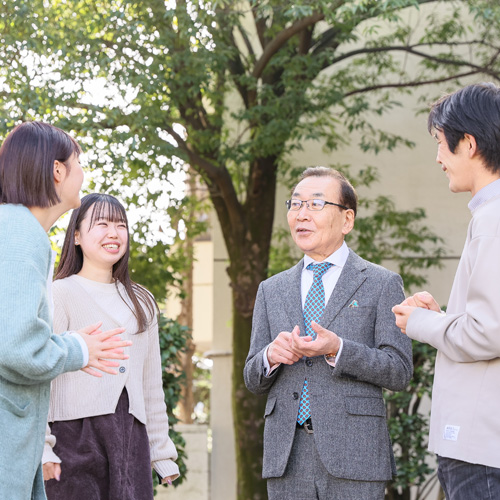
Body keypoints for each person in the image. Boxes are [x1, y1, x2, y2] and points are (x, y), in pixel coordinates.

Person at [244, 166, 413, 500]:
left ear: (347, 219)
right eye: (295, 204)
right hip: (287, 457)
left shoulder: (381, 283)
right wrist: (269, 357)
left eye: (315, 204)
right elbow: (253, 377)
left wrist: (338, 348)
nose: (301, 214)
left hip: (355, 455)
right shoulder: (271, 289)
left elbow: (399, 371)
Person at [0, 122, 131, 500]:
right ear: (57, 171)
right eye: (79, 163)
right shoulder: (21, 232)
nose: (83, 175)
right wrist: (79, 349)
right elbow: (16, 347)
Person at [392, 82, 500, 500]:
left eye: (441, 144)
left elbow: (489, 332)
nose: (438, 158)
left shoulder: (492, 220)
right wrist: (443, 317)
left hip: (481, 449)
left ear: (468, 144)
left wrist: (421, 322)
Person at [43, 193, 180, 499]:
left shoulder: (141, 300)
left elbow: (150, 382)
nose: (113, 233)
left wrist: (160, 451)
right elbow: (42, 374)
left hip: (131, 437)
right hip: (72, 437)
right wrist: (43, 447)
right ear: (76, 235)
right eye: (101, 224)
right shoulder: (59, 293)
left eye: (120, 225)